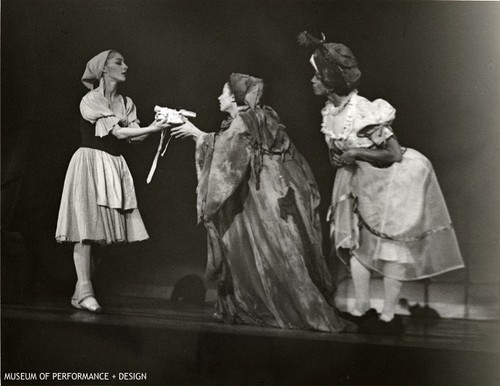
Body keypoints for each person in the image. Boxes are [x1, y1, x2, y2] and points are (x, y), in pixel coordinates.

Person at [298, 32, 464, 334]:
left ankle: (388, 315)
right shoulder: (330, 111)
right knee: (354, 242)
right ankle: (361, 308)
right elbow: (338, 149)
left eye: (316, 76)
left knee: (391, 246)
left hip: (390, 181)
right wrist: (339, 158)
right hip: (357, 181)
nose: (311, 81)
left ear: (330, 79)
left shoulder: (364, 109)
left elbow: (392, 152)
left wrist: (354, 152)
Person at [170, 73, 351, 332]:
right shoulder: (255, 117)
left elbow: (227, 151)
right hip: (269, 189)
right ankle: (260, 303)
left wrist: (195, 134)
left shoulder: (246, 119)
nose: (219, 97)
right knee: (263, 247)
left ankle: (294, 308)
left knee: (276, 248)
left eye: (223, 93)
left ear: (234, 97)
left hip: (266, 192)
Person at [55, 50, 170, 312]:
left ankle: (80, 290)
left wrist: (156, 125)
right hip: (89, 163)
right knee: (84, 229)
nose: (126, 66)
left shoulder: (126, 103)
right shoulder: (90, 100)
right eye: (119, 62)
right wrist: (152, 129)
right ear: (104, 70)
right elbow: (117, 131)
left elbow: (135, 136)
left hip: (113, 165)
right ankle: (84, 290)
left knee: (103, 234)